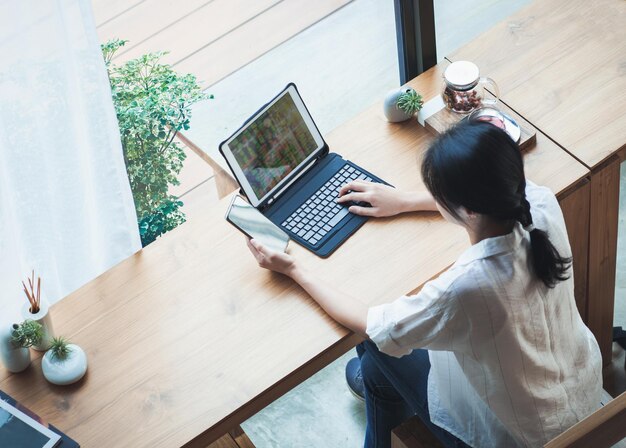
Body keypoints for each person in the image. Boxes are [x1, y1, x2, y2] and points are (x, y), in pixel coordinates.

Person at [246, 120, 602, 448]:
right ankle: (380, 391)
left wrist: (295, 270)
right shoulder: (539, 203)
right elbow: (487, 196)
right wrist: (402, 200)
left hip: (514, 436)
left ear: (467, 210)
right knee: (377, 369)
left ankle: (379, 397)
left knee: (373, 348)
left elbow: (371, 323)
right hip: (580, 392)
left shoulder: (469, 287)